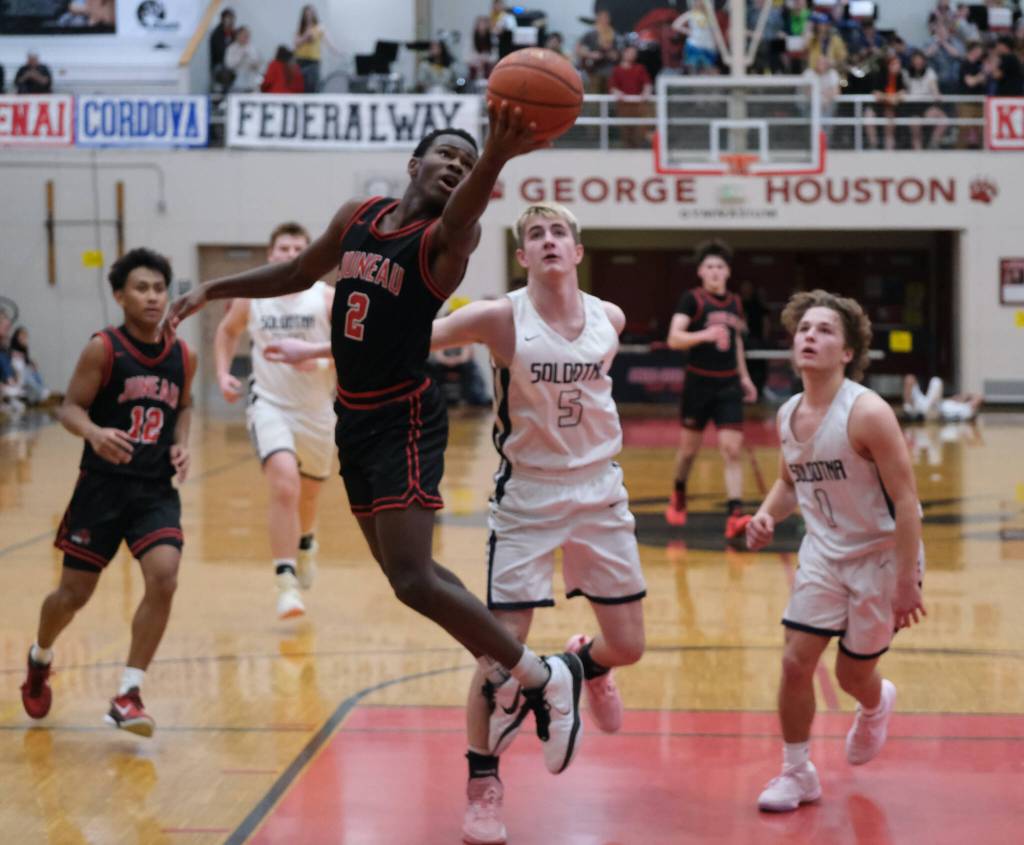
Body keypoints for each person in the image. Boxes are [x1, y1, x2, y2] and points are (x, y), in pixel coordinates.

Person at [166, 111, 588, 785]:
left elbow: (467, 209)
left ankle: (540, 674)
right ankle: (517, 666)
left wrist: (497, 158)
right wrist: (214, 289)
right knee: (407, 577)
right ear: (413, 165)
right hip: (352, 417)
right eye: (445, 154)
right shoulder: (359, 216)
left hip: (405, 416)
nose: (455, 164)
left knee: (416, 576)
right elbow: (301, 268)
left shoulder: (447, 238)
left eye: (465, 161)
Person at [426, 201, 646, 844]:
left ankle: (581, 668)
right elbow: (421, 337)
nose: (548, 240)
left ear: (578, 252)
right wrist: (319, 344)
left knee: (629, 645)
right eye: (534, 235)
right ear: (522, 256)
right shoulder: (500, 316)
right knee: (498, 652)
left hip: (601, 491)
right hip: (528, 495)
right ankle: (483, 784)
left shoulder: (611, 318)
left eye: (559, 233)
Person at [747, 290, 926, 813]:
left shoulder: (867, 413)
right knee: (795, 661)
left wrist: (906, 581)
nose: (810, 336)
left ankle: (875, 704)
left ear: (847, 352)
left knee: (852, 676)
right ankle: (796, 772)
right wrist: (765, 514)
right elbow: (788, 483)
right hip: (824, 555)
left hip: (880, 555)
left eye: (825, 330)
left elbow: (908, 501)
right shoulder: (787, 414)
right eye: (804, 329)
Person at [20, 248, 196, 737]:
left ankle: (129, 693)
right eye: (141, 288)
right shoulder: (103, 347)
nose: (152, 297)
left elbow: (183, 407)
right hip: (100, 489)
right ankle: (40, 657)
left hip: (154, 489)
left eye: (159, 288)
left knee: (164, 576)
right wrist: (95, 433)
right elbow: (69, 408)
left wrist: (181, 445)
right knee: (72, 595)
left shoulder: (184, 354)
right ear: (119, 296)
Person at [214, 223, 334, 620]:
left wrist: (315, 358)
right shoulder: (253, 298)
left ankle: (307, 541)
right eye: (283, 247)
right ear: (271, 253)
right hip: (270, 404)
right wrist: (222, 372)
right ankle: (285, 585)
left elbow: (354, 350)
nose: (290, 252)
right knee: (285, 484)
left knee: (309, 496)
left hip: (317, 409)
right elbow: (227, 331)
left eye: (298, 247)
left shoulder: (327, 298)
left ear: (309, 254)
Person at [665, 240, 758, 540]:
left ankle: (735, 514)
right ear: (701, 272)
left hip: (728, 384)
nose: (715, 271)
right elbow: (674, 339)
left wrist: (744, 377)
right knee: (689, 452)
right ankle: (679, 489)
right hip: (699, 384)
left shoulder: (735, 302)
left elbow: (737, 342)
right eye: (710, 267)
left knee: (732, 450)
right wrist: (704, 335)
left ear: (728, 272)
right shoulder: (691, 299)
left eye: (720, 266)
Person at [293, 4, 338, 94]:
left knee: (313, 85)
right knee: (301, 85)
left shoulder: (319, 28)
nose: (309, 16)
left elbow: (328, 41)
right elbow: (296, 43)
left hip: (314, 61)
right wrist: (306, 34)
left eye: (311, 14)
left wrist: (336, 51)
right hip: (301, 60)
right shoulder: (301, 29)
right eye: (307, 14)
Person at [902, 374, 982, 422]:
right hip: (928, 405)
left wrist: (966, 396)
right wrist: (962, 397)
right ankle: (908, 408)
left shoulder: (967, 410)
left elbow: (979, 397)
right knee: (910, 378)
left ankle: (908, 408)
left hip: (933, 411)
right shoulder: (957, 404)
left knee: (936, 381)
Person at [9, 326, 50, 405]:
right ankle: (40, 391)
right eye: (22, 336)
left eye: (25, 336)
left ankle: (42, 389)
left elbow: (26, 361)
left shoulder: (24, 348)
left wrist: (32, 364)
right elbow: (15, 363)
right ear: (17, 336)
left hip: (24, 371)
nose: (24, 338)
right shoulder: (12, 349)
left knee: (35, 371)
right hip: (17, 373)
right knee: (28, 374)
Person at [224, 26, 262, 93]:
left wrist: (254, 64)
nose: (246, 37)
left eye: (247, 35)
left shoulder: (252, 48)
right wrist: (240, 56)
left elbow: (258, 63)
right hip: (236, 83)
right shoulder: (231, 48)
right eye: (244, 35)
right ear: (237, 36)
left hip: (251, 83)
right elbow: (228, 65)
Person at [209, 7, 236, 88]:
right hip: (220, 64)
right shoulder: (217, 34)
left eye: (232, 18)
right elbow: (220, 53)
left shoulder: (234, 33)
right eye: (228, 18)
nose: (230, 21)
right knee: (225, 72)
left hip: (233, 63)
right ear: (222, 19)